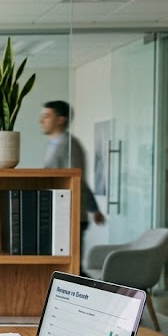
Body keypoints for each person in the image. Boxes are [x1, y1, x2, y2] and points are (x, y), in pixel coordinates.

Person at [40, 101, 105, 265]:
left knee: (71, 266)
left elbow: (77, 180)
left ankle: (91, 291)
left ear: (60, 120)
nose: (41, 121)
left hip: (69, 214)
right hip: (60, 213)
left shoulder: (69, 145)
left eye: (47, 116)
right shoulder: (54, 144)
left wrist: (93, 208)